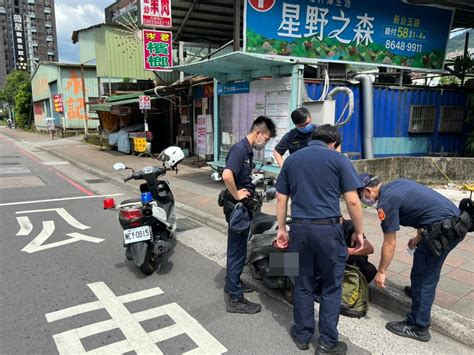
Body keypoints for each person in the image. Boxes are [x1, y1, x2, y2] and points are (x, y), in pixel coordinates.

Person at [275, 124, 364, 354]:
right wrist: (359, 232)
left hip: (299, 231)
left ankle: (303, 335)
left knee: (302, 283)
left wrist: (282, 230)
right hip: (329, 232)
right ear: (333, 143)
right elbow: (353, 201)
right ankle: (326, 343)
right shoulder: (339, 160)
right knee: (331, 287)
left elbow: (281, 198)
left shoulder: (292, 160)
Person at [357, 174, 471, 342]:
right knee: (422, 264)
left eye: (361, 196)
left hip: (445, 230)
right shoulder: (397, 183)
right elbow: (423, 210)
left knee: (424, 275)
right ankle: (419, 292)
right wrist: (419, 237)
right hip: (453, 222)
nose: (363, 200)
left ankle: (418, 326)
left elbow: (389, 243)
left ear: (368, 190)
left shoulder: (386, 202)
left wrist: (381, 271)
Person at [221, 116, 276, 314]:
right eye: (267, 139)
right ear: (258, 132)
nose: (266, 143)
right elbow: (227, 175)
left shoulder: (248, 151)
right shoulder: (240, 149)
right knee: (236, 251)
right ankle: (235, 299)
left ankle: (232, 283)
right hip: (238, 209)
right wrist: (237, 194)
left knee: (239, 249)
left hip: (243, 207)